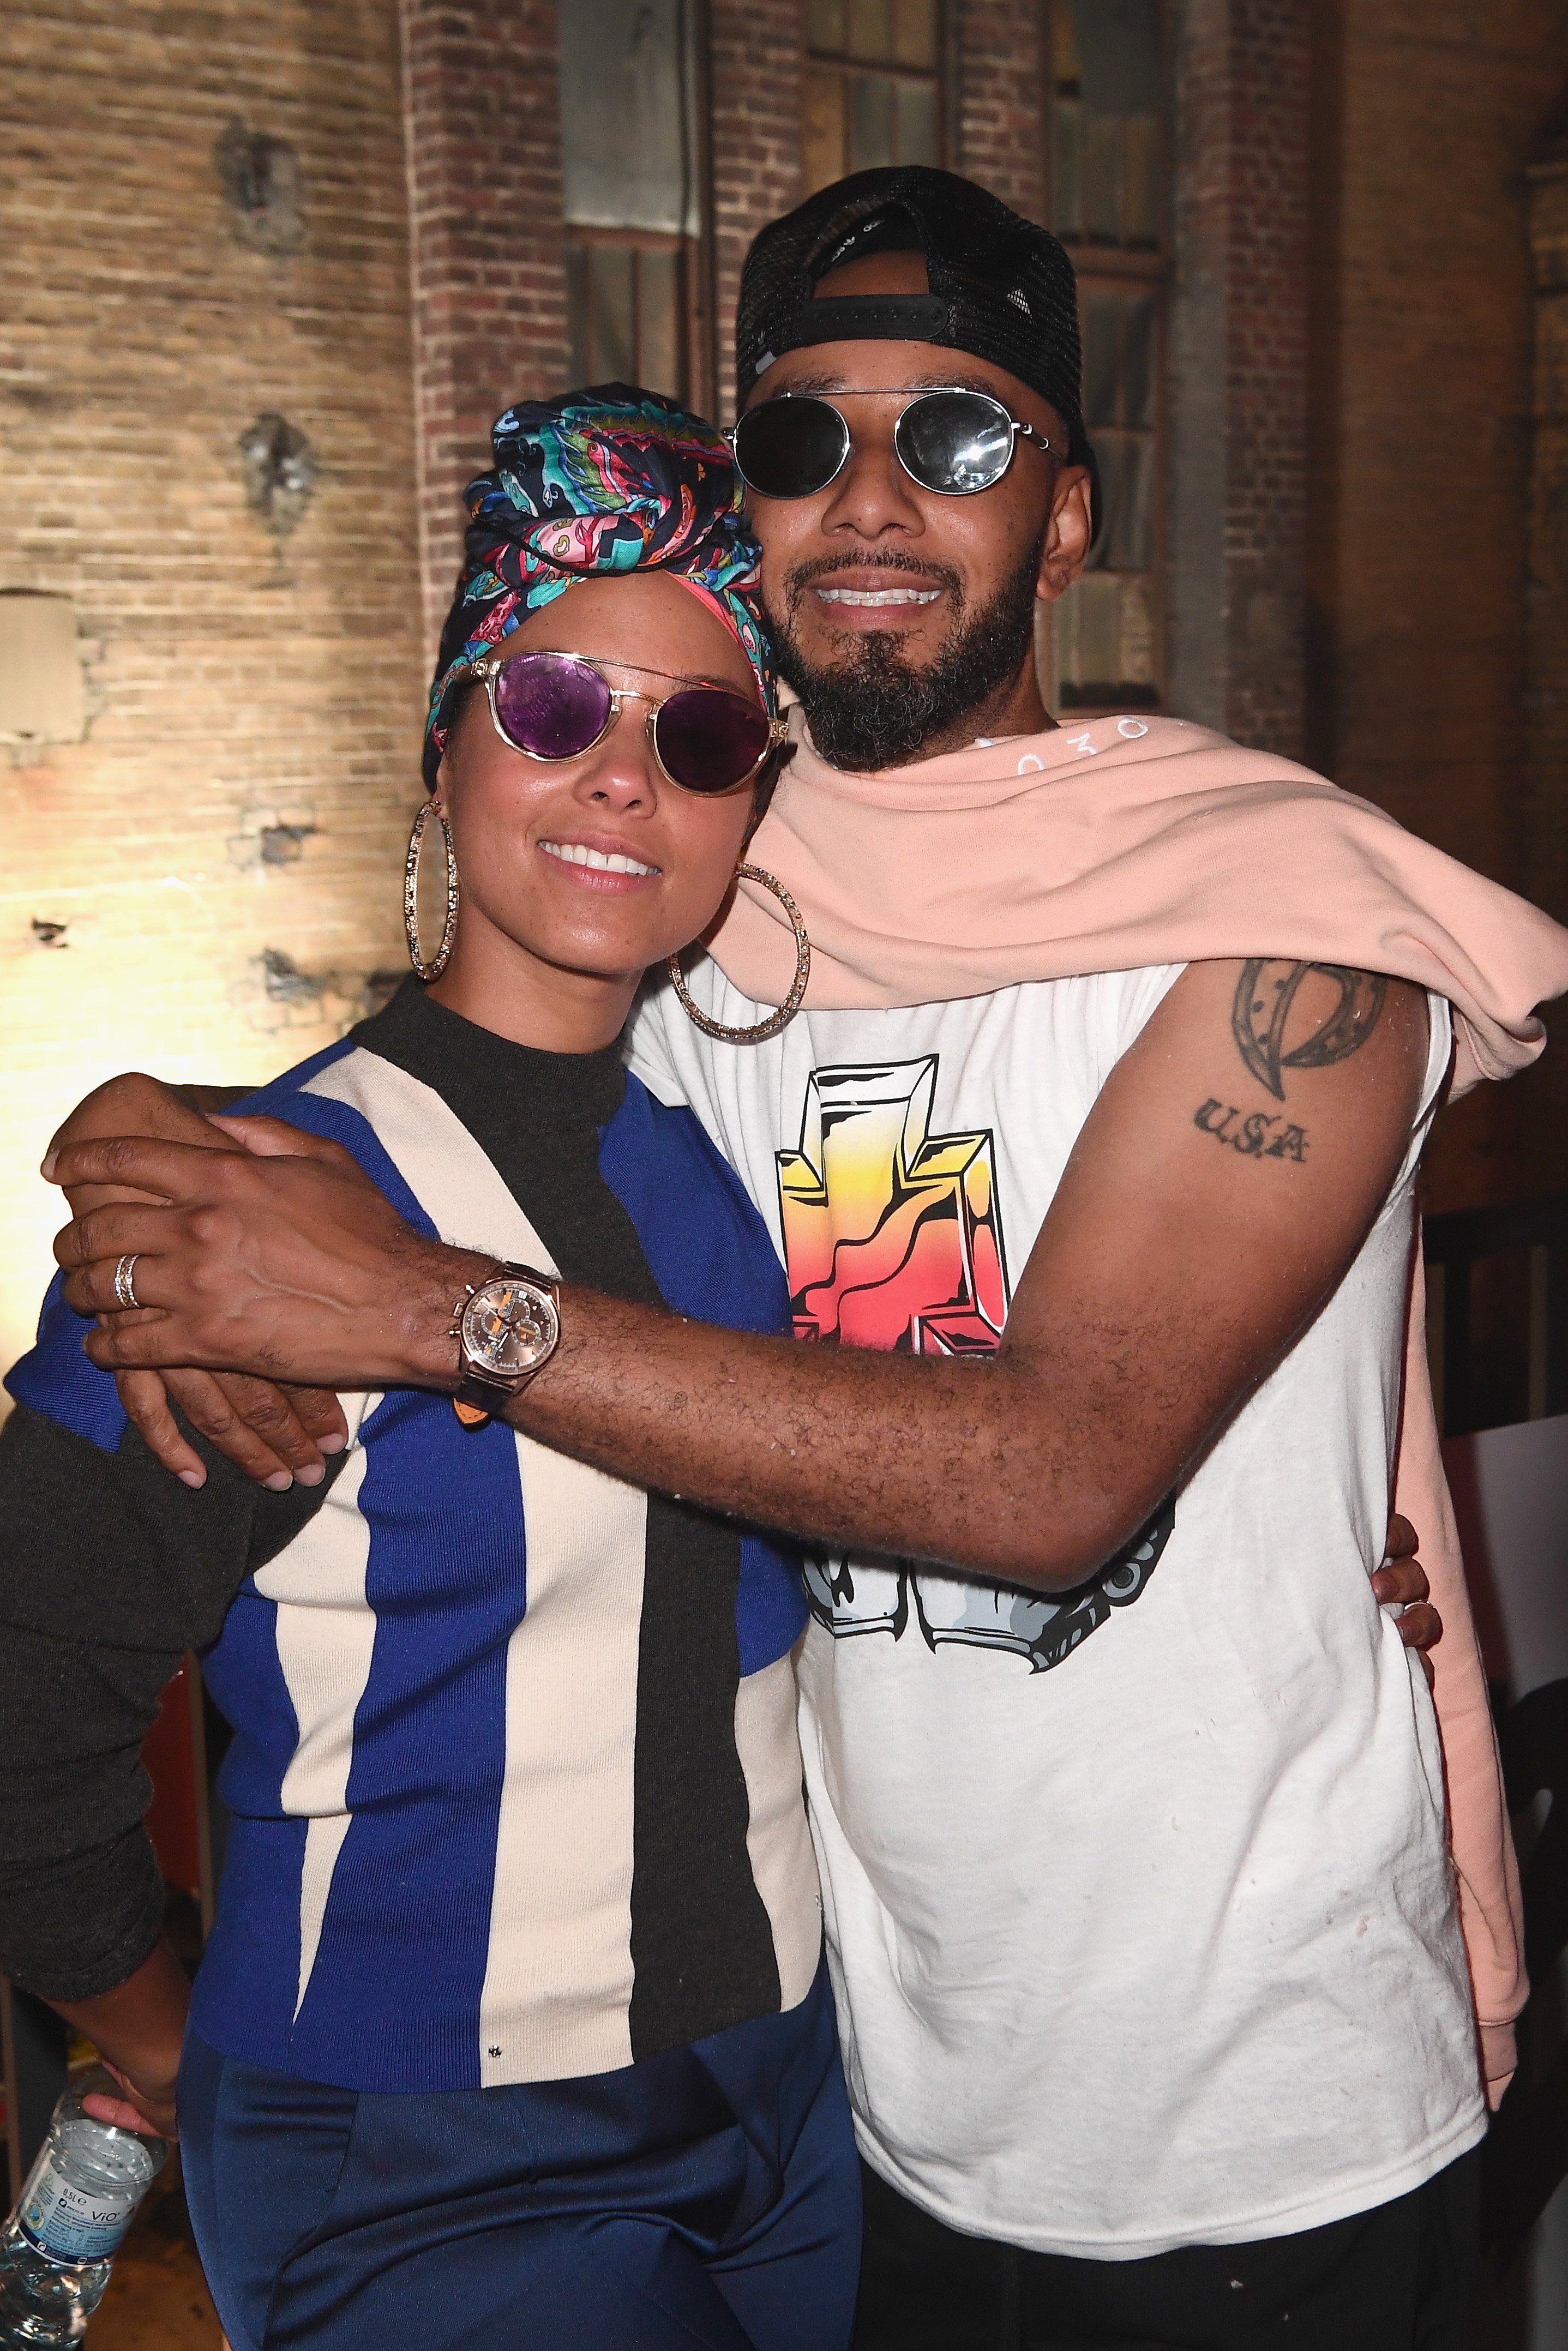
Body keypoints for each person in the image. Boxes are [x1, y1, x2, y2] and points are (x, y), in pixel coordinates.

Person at [37, 169, 1568, 2347]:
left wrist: (412, 1304)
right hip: (871, 2102)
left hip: (1255, 2111)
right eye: (798, 435)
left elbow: (1054, 1478)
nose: (866, 495)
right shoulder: (718, 905)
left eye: (954, 434)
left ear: (1061, 516)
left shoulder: (1289, 917)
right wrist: (147, 1159)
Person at [0, 392, 863, 2351]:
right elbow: (21, 1688)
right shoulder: (245, 1206)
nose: (625, 779)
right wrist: (165, 2023)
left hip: (789, 2109)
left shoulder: (732, 1167)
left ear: (751, 803)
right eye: (560, 703)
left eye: (701, 736)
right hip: (424, 2155)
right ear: (452, 738)